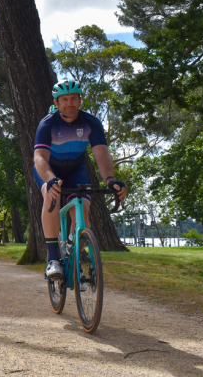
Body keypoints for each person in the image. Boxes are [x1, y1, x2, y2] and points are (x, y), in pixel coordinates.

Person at [33, 78, 126, 280]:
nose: (70, 103)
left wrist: (110, 179)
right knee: (52, 197)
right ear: (56, 103)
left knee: (83, 208)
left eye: (73, 98)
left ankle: (75, 254)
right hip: (49, 170)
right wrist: (50, 179)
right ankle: (53, 259)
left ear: (80, 100)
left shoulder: (91, 122)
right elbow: (39, 158)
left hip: (76, 170)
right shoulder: (47, 124)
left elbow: (101, 155)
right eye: (64, 99)